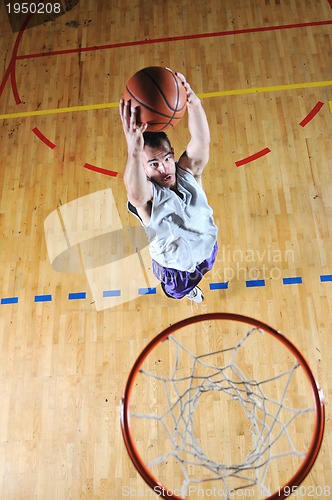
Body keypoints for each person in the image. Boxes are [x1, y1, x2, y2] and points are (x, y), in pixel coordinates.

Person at [119, 72, 218, 303]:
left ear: (173, 153)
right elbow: (135, 194)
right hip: (176, 270)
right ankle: (187, 292)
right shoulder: (150, 199)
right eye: (153, 164)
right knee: (175, 292)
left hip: (206, 250)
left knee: (204, 267)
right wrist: (134, 150)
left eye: (166, 158)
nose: (164, 168)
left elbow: (201, 141)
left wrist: (194, 103)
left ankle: (195, 280)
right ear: (144, 170)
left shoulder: (188, 172)